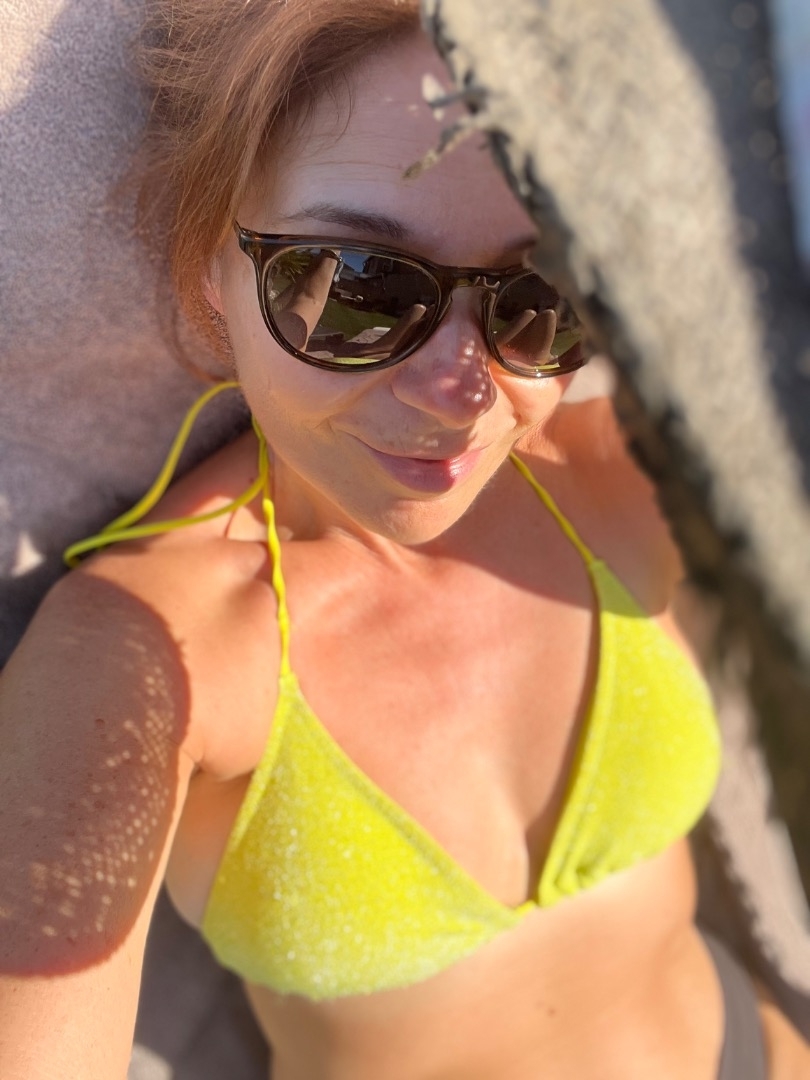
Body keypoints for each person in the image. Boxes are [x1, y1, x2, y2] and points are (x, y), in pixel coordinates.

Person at [1, 1, 808, 1077]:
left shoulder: (624, 471)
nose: (462, 392)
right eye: (363, 289)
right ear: (210, 268)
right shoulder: (143, 654)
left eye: (537, 295)